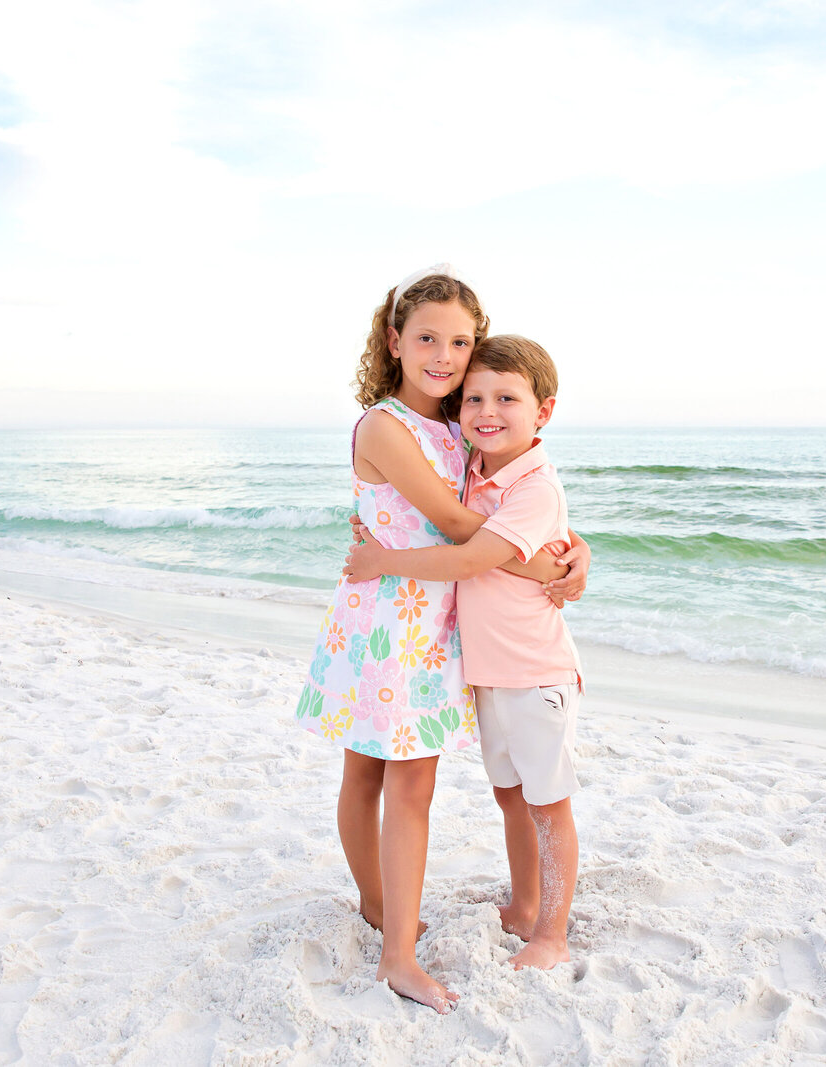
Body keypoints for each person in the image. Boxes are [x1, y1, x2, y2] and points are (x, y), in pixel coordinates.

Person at [296, 269, 588, 1012]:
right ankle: (396, 947)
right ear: (394, 340)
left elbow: (502, 492)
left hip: (428, 620)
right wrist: (545, 560)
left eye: (461, 342)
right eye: (427, 338)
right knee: (393, 782)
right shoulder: (385, 426)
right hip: (395, 621)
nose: (444, 355)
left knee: (381, 777)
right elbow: (463, 527)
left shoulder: (459, 425)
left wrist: (574, 546)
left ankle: (378, 905)